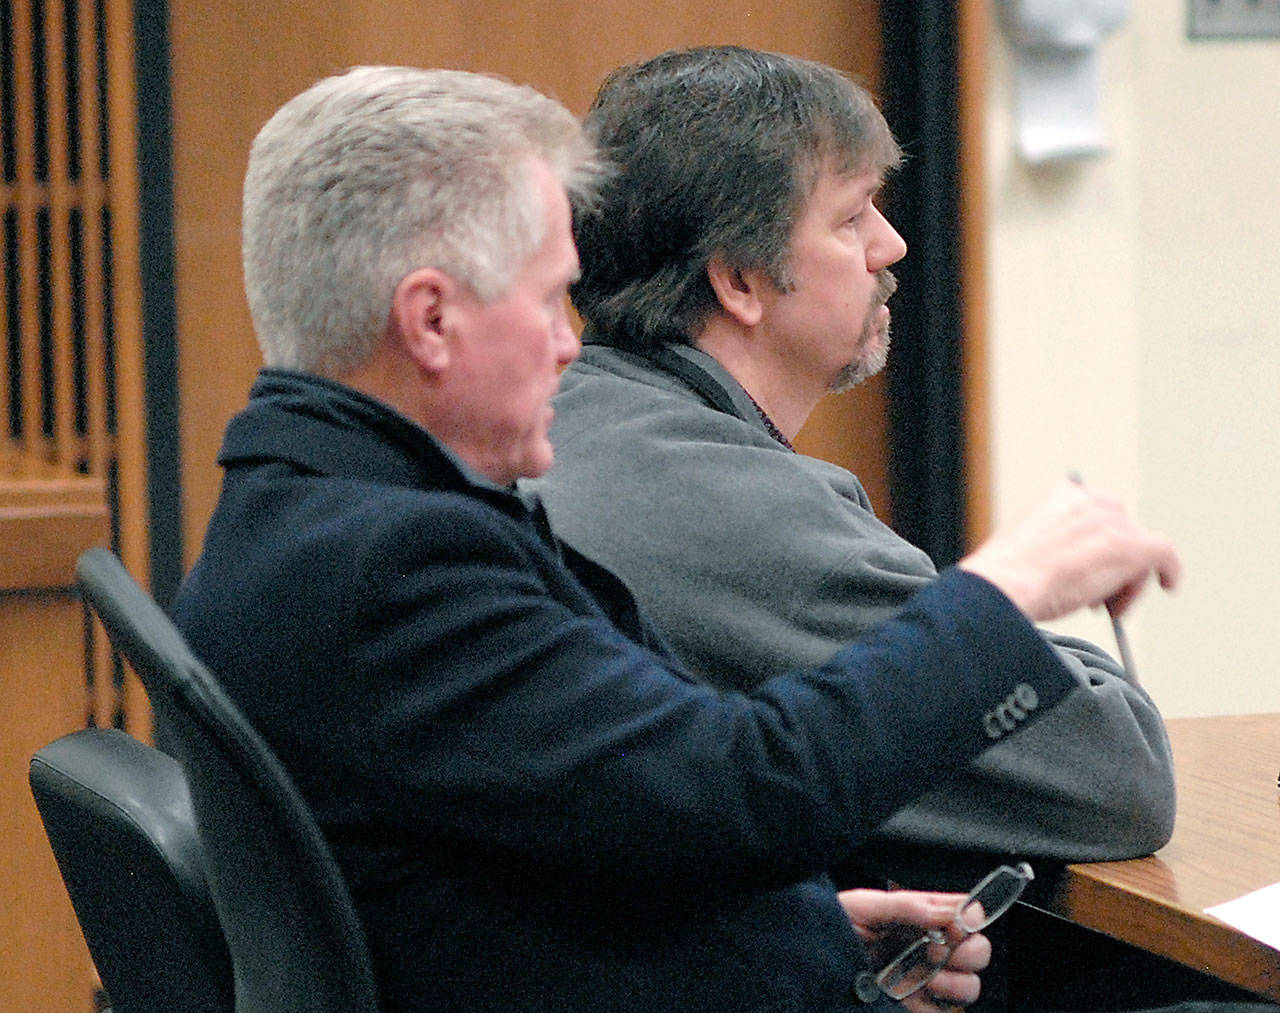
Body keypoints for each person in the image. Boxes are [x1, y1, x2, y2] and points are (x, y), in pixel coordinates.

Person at [171, 64, 1181, 1012]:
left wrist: (809, 938)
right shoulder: (392, 563)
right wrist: (1000, 594)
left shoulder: (298, 507)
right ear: (431, 322)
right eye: (542, 301)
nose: (573, 343)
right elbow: (744, 788)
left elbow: (596, 833)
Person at [531, 45, 1175, 863]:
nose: (893, 245)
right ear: (740, 281)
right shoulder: (738, 512)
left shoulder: (570, 422)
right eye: (851, 216)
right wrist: (1038, 626)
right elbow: (1120, 775)